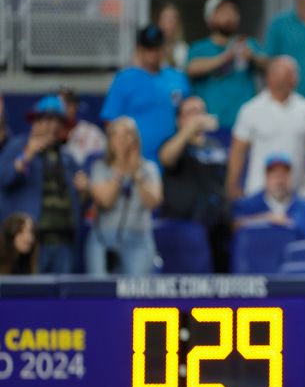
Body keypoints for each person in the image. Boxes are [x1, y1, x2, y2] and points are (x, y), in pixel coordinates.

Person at [0, 96, 82, 273]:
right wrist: (27, 154)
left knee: (62, 298)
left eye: (58, 121)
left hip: (63, 241)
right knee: (27, 295)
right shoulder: (17, 146)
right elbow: (4, 178)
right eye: (47, 119)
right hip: (30, 241)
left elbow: (79, 202)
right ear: (35, 121)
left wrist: (84, 189)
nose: (52, 126)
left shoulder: (67, 157)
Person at [227, 56, 305, 201]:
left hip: (298, 195)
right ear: (270, 77)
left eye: (293, 74)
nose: (291, 79)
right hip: (258, 193)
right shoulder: (250, 110)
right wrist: (232, 185)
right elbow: (237, 151)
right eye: (286, 74)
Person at [102, 24, 190, 165]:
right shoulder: (125, 79)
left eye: (156, 47)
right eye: (148, 48)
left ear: (164, 48)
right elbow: (111, 122)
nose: (153, 53)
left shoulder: (177, 78)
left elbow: (188, 114)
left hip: (174, 163)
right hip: (136, 163)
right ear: (139, 49)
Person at [159, 97, 230, 272]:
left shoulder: (216, 146)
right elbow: (166, 158)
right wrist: (189, 130)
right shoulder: (173, 144)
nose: (198, 117)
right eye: (191, 113)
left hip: (217, 226)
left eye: (201, 112)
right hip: (183, 228)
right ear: (179, 120)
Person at [85, 117, 162, 277]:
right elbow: (106, 201)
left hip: (138, 238)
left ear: (135, 138)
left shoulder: (148, 168)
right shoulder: (100, 168)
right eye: (116, 134)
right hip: (103, 238)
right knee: (99, 293)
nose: (121, 139)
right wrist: (120, 169)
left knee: (136, 294)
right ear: (110, 140)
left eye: (127, 134)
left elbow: (154, 201)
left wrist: (136, 174)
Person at [186, 0, 268, 129]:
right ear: (210, 17)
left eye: (233, 10)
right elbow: (191, 68)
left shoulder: (248, 44)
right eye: (223, 11)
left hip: (244, 124)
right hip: (211, 123)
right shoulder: (199, 48)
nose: (229, 15)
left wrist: (253, 57)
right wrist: (225, 57)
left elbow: (271, 67)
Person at [233, 153, 305, 240]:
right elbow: (233, 226)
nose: (279, 180)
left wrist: (293, 226)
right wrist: (266, 220)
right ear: (266, 177)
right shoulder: (248, 206)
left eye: (283, 174)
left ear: (290, 176)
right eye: (274, 174)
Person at [61, 87, 106, 168]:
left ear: (75, 106)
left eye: (68, 103)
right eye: (58, 103)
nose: (63, 107)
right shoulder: (42, 137)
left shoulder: (92, 133)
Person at [157, 3, 188, 69]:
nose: (164, 24)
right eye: (163, 19)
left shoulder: (182, 49)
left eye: (170, 20)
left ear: (177, 25)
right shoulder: (150, 48)